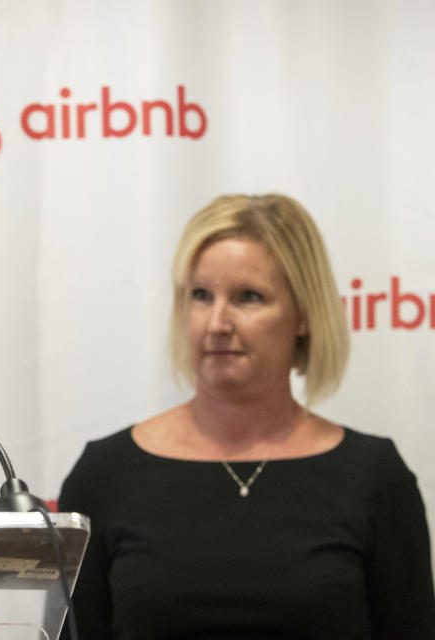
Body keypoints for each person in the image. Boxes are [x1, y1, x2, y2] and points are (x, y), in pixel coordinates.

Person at [60, 194, 435, 638]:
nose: (217, 322)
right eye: (200, 295)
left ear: (303, 314)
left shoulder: (374, 478)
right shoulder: (104, 476)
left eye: (248, 297)